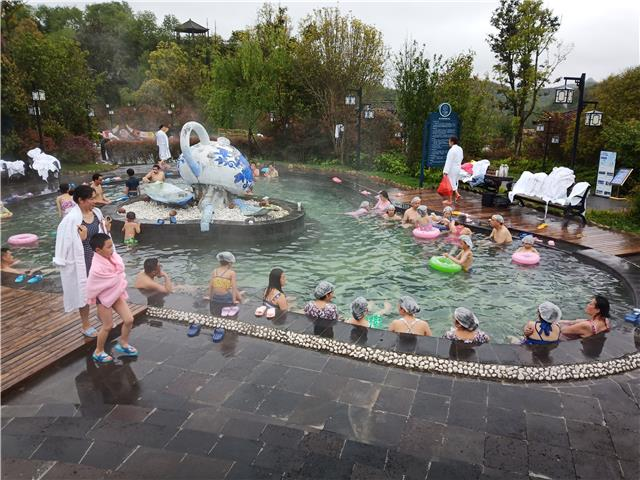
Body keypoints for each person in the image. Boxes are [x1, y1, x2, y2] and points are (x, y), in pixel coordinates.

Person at [53, 185, 112, 338]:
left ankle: (102, 315)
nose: (95, 201)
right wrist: (80, 240)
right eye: (91, 198)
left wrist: (107, 230)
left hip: (98, 257)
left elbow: (101, 235)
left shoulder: (97, 213)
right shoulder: (71, 219)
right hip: (82, 259)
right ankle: (85, 325)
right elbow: (63, 240)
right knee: (84, 292)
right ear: (81, 200)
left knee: (102, 288)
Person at [86, 233, 137, 363]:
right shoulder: (96, 267)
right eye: (108, 247)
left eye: (112, 246)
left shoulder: (112, 257)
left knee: (129, 319)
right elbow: (94, 285)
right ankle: (98, 351)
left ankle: (123, 344)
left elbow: (118, 273)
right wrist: (116, 280)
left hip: (116, 294)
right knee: (107, 326)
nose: (112, 249)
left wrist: (117, 281)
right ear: (98, 250)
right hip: (103, 299)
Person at [442, 136, 463, 205]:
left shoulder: (452, 150)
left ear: (452, 142)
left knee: (449, 184)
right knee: (454, 182)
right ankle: (456, 194)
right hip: (458, 168)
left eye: (449, 141)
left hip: (452, 168)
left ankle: (450, 200)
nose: (448, 143)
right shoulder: (460, 149)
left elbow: (449, 161)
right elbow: (461, 158)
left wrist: (445, 171)